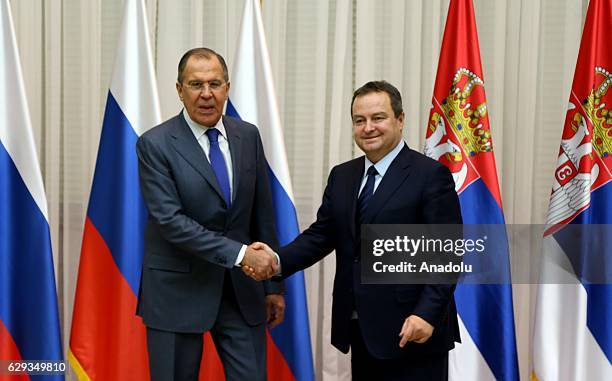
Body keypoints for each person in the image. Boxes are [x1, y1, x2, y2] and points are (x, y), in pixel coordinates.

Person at [247, 81, 462, 380]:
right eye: (359, 120)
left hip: (413, 330)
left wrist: (426, 314)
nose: (368, 127)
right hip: (361, 325)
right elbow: (321, 235)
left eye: (378, 118)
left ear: (400, 120)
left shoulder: (430, 175)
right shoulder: (343, 176)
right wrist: (277, 261)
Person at [136, 47, 283, 381]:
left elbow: (262, 212)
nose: (206, 94)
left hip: (240, 291)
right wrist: (242, 254)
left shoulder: (248, 136)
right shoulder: (154, 144)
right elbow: (171, 221)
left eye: (215, 84)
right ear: (179, 89)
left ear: (227, 87)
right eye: (195, 84)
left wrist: (273, 285)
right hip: (177, 291)